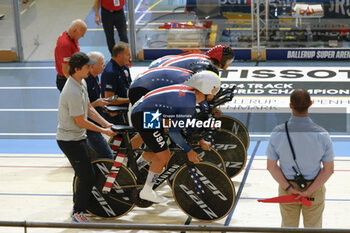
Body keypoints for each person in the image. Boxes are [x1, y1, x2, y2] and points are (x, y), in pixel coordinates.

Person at [131, 70, 221, 203]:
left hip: (145, 110)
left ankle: (132, 170)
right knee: (164, 155)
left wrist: (200, 140)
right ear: (207, 88)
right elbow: (174, 132)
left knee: (154, 152)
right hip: (144, 114)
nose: (215, 92)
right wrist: (189, 151)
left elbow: (184, 124)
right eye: (214, 89)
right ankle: (147, 191)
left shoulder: (190, 94)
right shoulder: (188, 103)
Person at [56, 52, 116, 223]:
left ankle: (81, 203)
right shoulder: (71, 91)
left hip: (78, 137)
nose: (90, 68)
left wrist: (105, 124)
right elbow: (81, 120)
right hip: (70, 141)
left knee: (84, 172)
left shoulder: (81, 82)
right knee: (87, 175)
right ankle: (78, 211)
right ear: (77, 69)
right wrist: (103, 131)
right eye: (87, 66)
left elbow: (88, 107)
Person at [266, 89, 334, 228]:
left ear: (290, 105)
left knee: (288, 228)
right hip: (314, 189)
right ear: (310, 104)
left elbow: (271, 166)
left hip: (288, 188)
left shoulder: (277, 132)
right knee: (314, 228)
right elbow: (329, 170)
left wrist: (288, 187)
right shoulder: (322, 134)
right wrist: (309, 191)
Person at [129, 61, 219, 105]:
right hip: (140, 90)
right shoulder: (188, 81)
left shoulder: (192, 77)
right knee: (151, 128)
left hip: (143, 84)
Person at [85, 51, 114, 160]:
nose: (104, 66)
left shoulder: (96, 78)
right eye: (101, 63)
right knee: (107, 156)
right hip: (89, 126)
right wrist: (97, 103)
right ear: (92, 66)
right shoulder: (85, 82)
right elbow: (83, 108)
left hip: (95, 122)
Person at [101, 42, 131, 125]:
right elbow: (109, 99)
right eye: (128, 54)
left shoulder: (124, 67)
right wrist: (130, 100)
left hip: (123, 110)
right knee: (123, 137)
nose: (130, 57)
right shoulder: (110, 72)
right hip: (114, 114)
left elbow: (128, 85)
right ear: (119, 56)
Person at [54, 19, 87, 92]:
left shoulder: (71, 37)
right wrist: (77, 84)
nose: (83, 36)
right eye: (82, 33)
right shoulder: (65, 44)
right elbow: (66, 71)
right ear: (74, 30)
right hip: (66, 80)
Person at [149, 44, 234, 71]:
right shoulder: (207, 66)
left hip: (157, 66)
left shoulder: (203, 57)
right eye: (229, 60)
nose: (229, 63)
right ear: (221, 59)